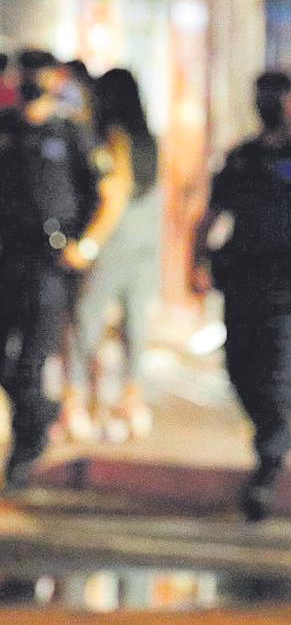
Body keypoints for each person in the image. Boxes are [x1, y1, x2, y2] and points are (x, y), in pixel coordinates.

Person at [191, 70, 291, 521]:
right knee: (238, 368)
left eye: (279, 96)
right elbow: (211, 215)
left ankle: (270, 458)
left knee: (275, 374)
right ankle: (272, 438)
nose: (272, 103)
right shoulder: (242, 158)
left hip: (290, 284)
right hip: (244, 281)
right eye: (266, 95)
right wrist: (196, 263)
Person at [0, 50, 98, 489]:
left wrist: (84, 244)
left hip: (48, 261)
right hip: (6, 256)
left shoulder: (71, 132)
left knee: (32, 360)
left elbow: (101, 192)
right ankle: (40, 414)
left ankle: (28, 441)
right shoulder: (5, 128)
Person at [60, 68, 159, 443]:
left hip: (113, 245)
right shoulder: (150, 139)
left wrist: (88, 243)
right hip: (145, 249)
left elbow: (114, 193)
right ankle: (132, 404)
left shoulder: (113, 137)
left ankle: (77, 404)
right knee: (134, 325)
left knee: (86, 321)